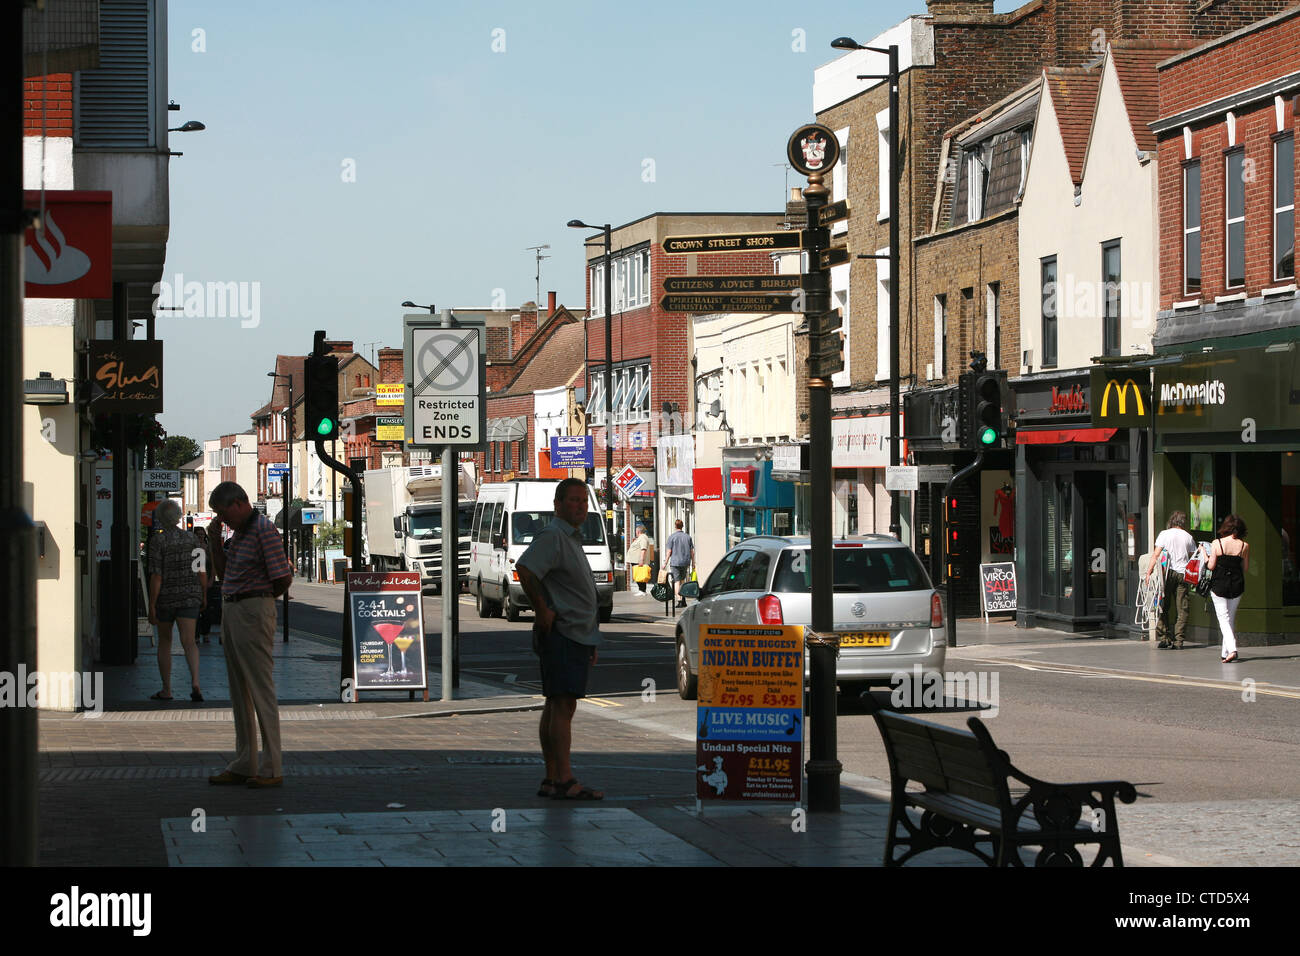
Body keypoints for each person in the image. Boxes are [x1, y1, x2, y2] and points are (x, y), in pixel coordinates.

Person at [515, 478, 604, 800]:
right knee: (563, 704)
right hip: (563, 634)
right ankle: (564, 779)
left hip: (576, 635)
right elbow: (525, 569)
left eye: (583, 501)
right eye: (573, 501)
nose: (580, 506)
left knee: (556, 704)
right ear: (558, 504)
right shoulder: (554, 535)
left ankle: (552, 780)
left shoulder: (570, 538)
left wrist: (590, 638)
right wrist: (542, 610)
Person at [206, 481, 293, 788]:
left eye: (223, 512)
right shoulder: (239, 533)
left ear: (240, 503)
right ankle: (245, 762)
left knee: (260, 689)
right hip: (233, 608)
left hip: (252, 608)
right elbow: (224, 573)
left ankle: (271, 767)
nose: (221, 519)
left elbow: (282, 576)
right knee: (238, 690)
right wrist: (215, 543)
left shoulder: (263, 530)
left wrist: (262, 600)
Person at [146, 499, 207, 702]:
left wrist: (152, 604)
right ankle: (196, 682)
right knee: (189, 642)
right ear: (180, 516)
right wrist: (203, 594)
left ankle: (167, 689)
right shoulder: (193, 539)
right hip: (190, 597)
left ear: (161, 519)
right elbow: (201, 570)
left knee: (165, 642)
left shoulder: (158, 542)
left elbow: (156, 576)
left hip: (166, 598)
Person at [1144, 510, 1195, 649]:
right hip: (1183, 574)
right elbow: (1192, 558)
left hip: (1166, 573)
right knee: (1182, 608)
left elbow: (1156, 555)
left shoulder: (1164, 534)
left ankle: (1165, 637)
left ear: (1171, 520)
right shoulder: (1188, 537)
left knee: (1162, 604)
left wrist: (1148, 573)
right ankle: (1179, 640)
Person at [1206, 514, 1249, 663]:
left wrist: (1205, 556)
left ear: (1226, 527)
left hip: (1219, 584)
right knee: (1230, 618)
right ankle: (1225, 653)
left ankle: (1232, 650)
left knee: (1223, 619)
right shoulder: (1244, 546)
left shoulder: (1217, 543)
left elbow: (1211, 566)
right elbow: (1246, 568)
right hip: (1237, 584)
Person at [665, 518, 695, 609]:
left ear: (675, 526)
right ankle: (684, 599)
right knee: (682, 581)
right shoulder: (688, 537)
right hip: (685, 562)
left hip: (675, 562)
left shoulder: (672, 537)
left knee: (676, 582)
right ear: (682, 526)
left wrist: (665, 562)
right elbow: (692, 551)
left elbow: (669, 551)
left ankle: (679, 600)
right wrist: (693, 562)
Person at [627, 522, 654, 595]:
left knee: (640, 575)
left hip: (638, 560)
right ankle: (642, 590)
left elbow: (643, 548)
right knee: (639, 574)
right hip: (636, 560)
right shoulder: (641, 538)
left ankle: (642, 590)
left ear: (638, 531)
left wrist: (641, 559)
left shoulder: (642, 538)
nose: (635, 532)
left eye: (636, 531)